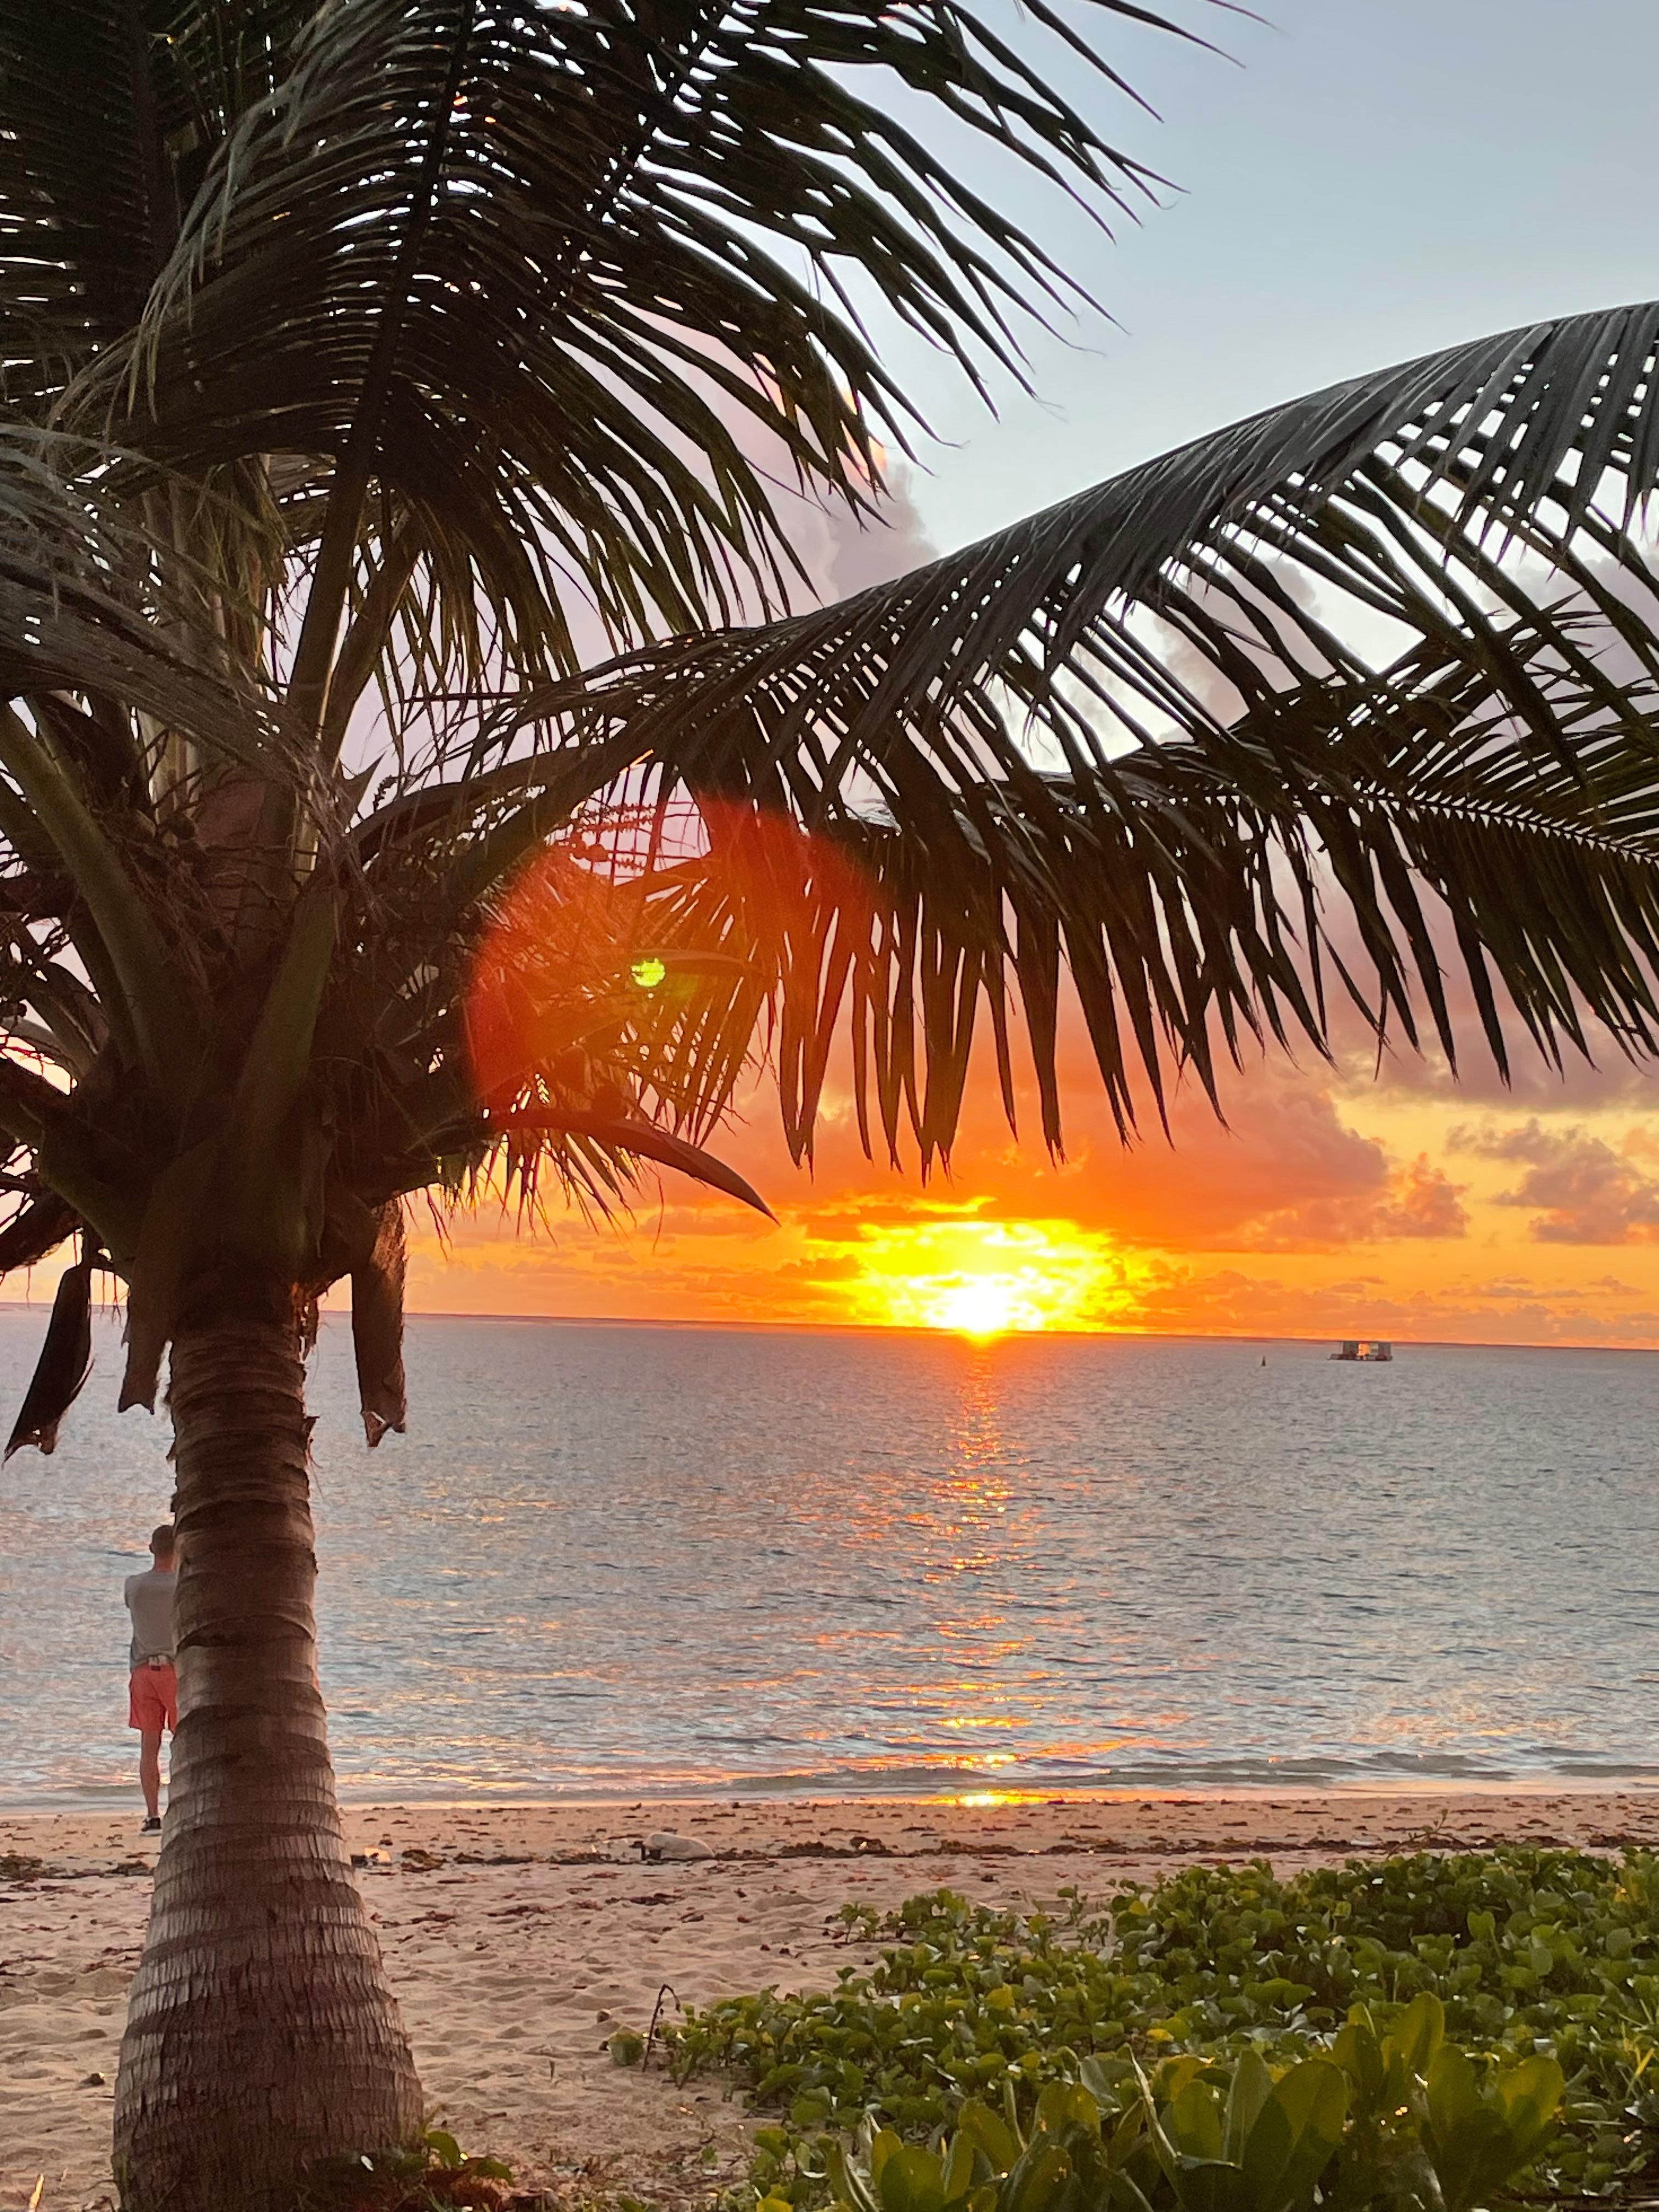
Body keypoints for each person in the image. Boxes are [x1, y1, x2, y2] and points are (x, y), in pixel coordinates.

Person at [124, 1524, 178, 1833]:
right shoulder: (182, 1585)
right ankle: (180, 1805)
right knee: (182, 1743)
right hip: (175, 1671)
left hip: (143, 1672)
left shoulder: (134, 1585)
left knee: (149, 1745)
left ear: (151, 1549)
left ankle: (152, 1814)